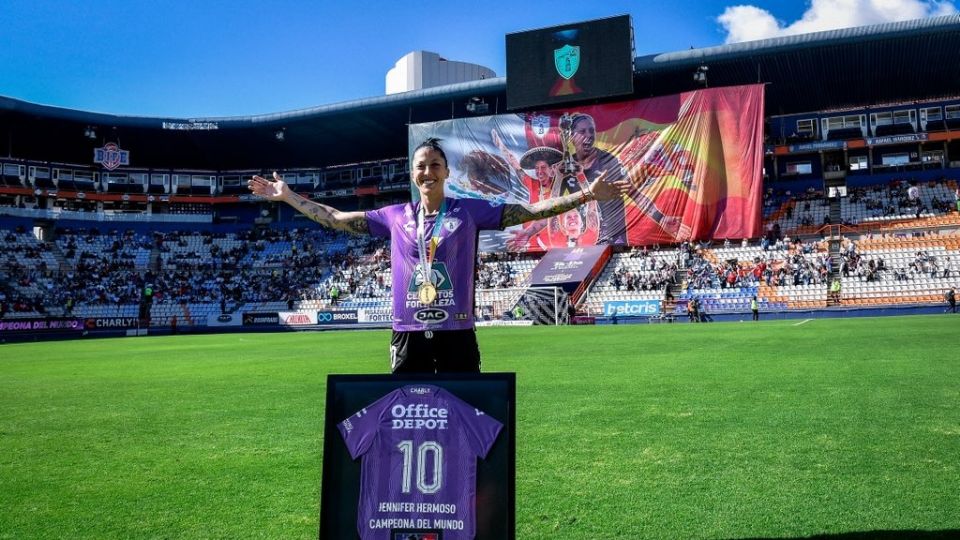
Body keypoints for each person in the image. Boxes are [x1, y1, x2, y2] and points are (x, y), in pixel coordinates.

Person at [248, 138, 628, 373]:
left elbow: (529, 212)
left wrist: (586, 195)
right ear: (413, 174)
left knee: (463, 413)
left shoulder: (469, 211)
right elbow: (335, 218)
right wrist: (287, 197)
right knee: (408, 418)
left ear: (446, 171)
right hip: (408, 335)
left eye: (434, 165)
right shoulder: (393, 216)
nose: (427, 171)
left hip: (457, 334)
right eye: (420, 166)